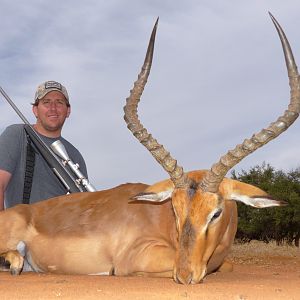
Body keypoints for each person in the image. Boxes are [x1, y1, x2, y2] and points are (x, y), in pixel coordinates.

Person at [0, 80, 89, 210]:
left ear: (68, 111)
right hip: (26, 228)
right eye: (46, 102)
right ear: (35, 110)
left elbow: (83, 207)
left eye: (59, 102)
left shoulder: (75, 156)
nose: (53, 108)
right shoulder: (17, 134)